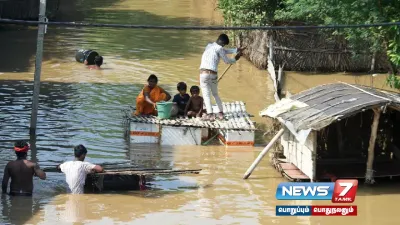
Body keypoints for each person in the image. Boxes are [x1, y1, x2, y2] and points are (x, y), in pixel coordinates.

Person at [199, 33, 244, 120]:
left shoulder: (209, 45)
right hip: (212, 74)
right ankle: (221, 112)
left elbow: (223, 50)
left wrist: (236, 50)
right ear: (223, 43)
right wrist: (236, 58)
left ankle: (210, 114)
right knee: (215, 94)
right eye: (224, 45)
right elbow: (227, 61)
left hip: (203, 74)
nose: (223, 46)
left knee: (206, 95)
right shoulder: (220, 48)